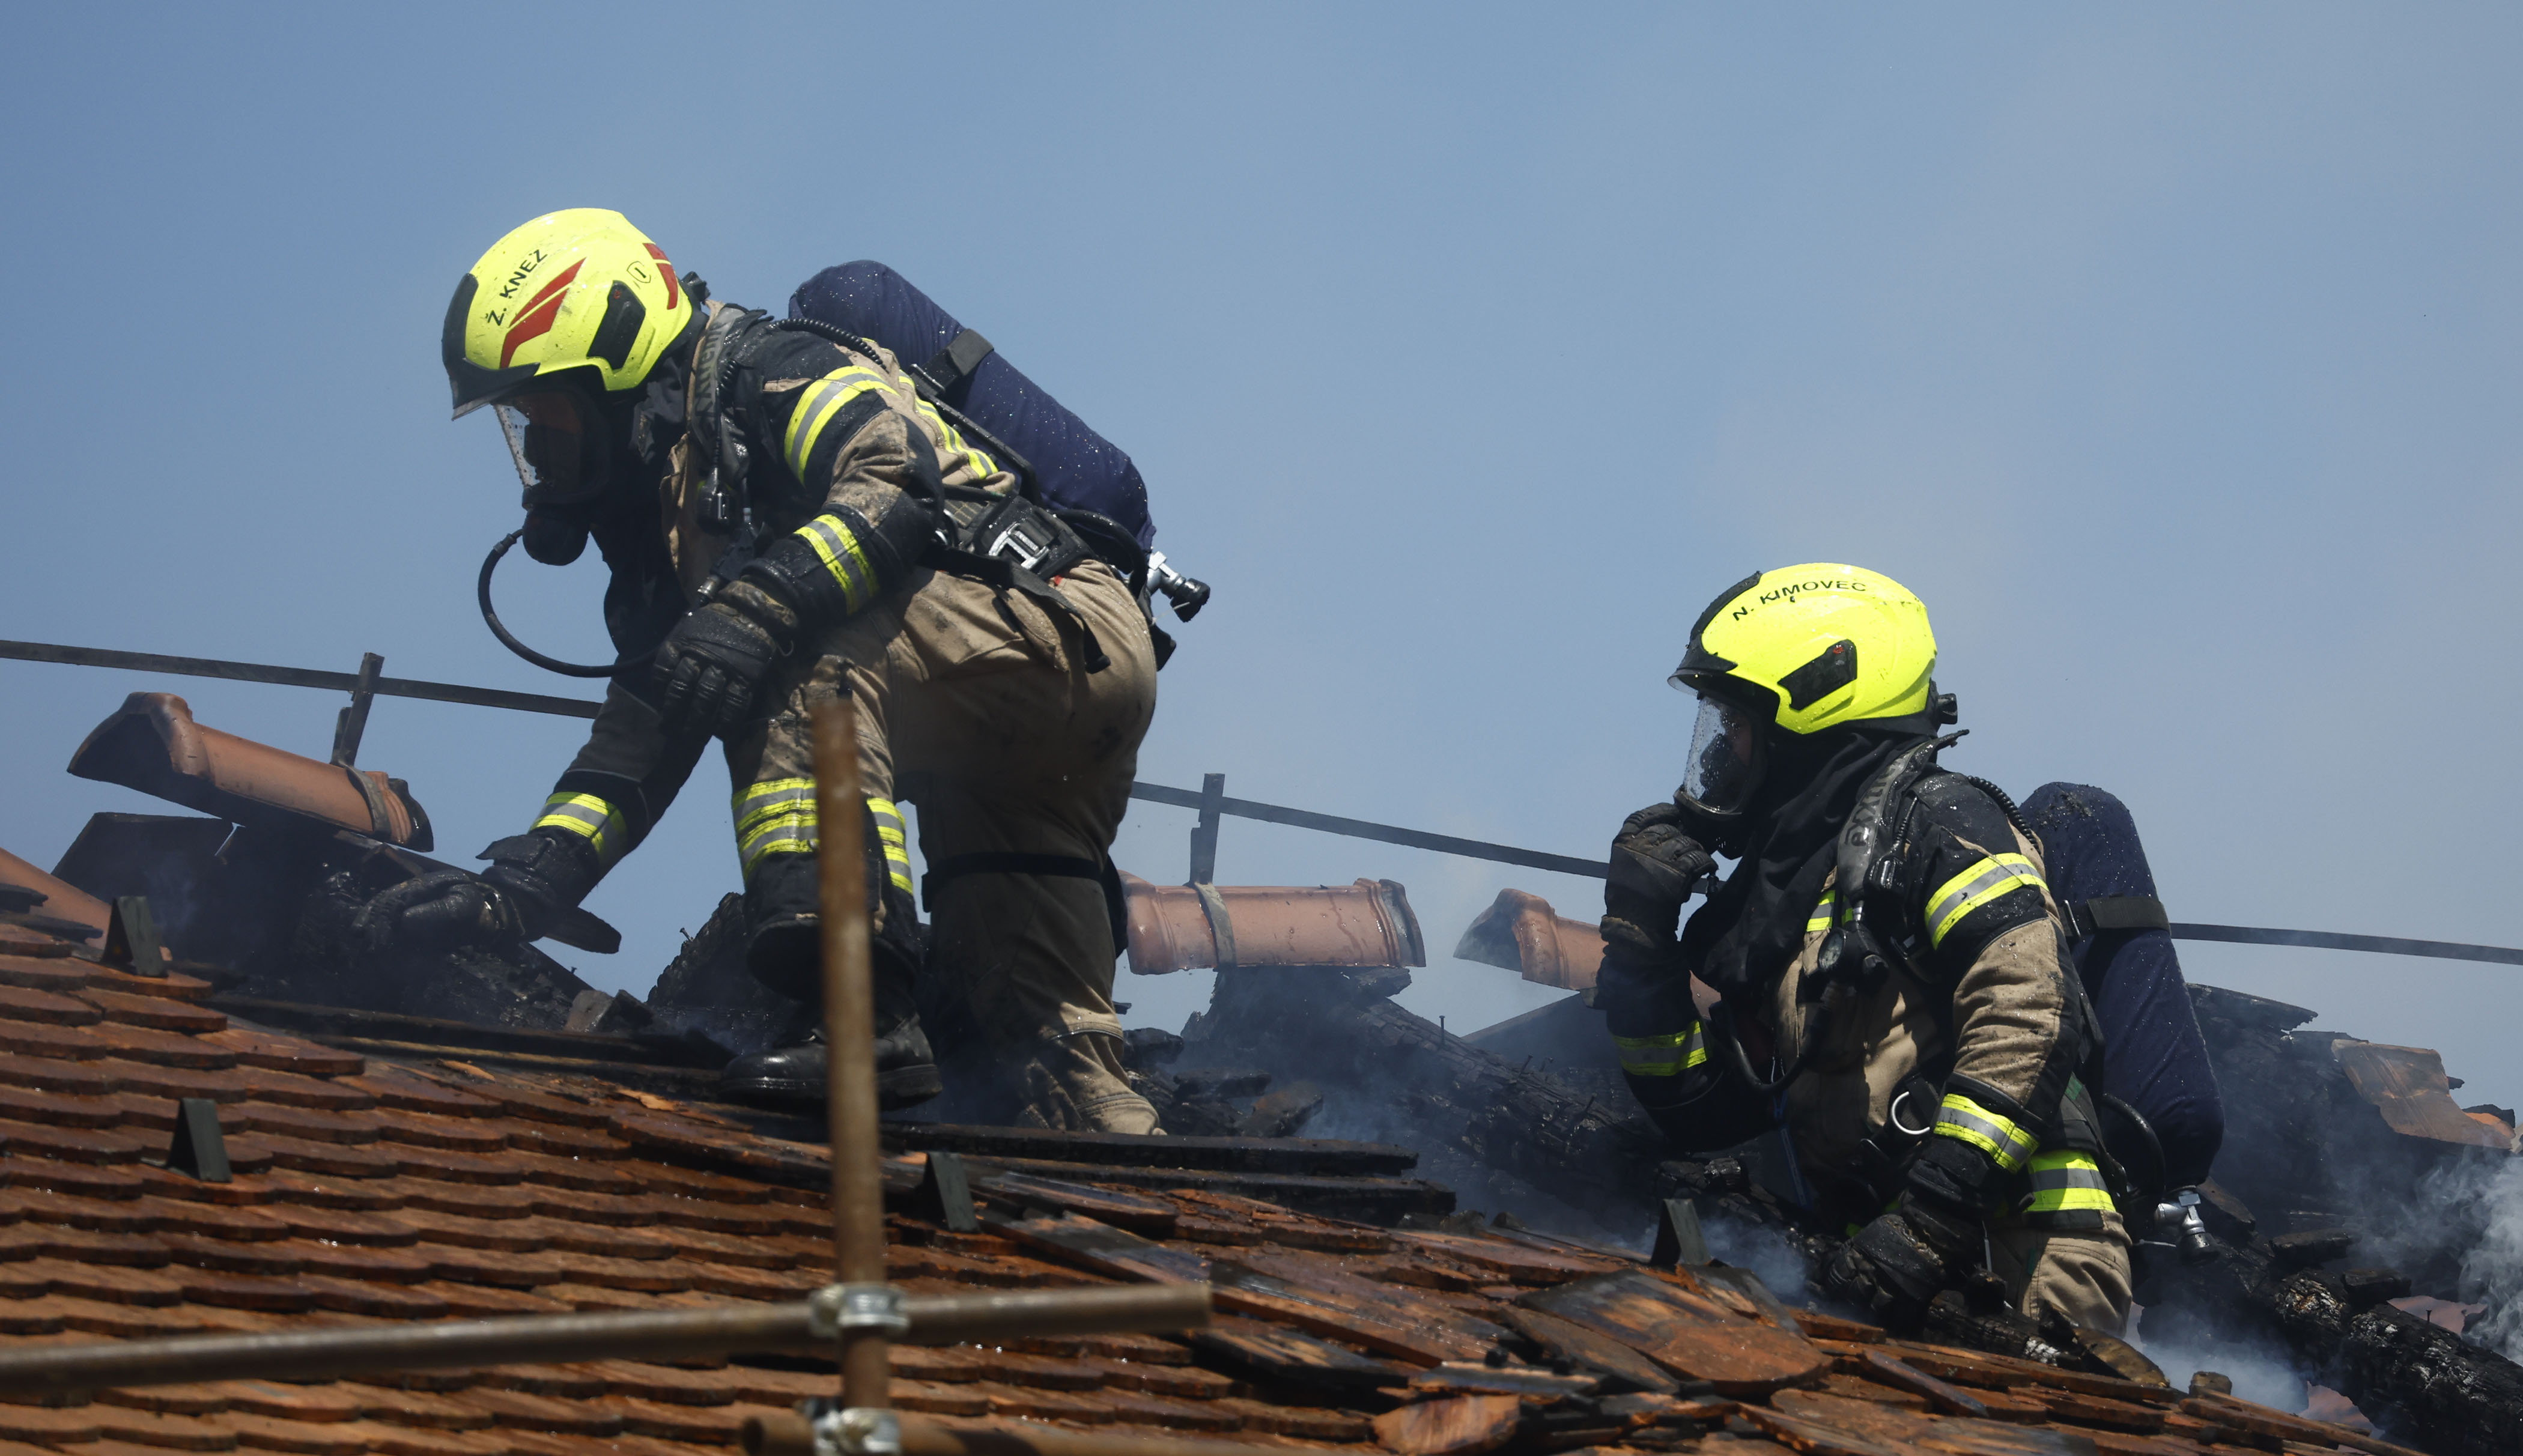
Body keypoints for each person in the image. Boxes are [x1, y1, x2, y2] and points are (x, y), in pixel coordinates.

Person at [359, 208, 1162, 1133]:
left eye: (548, 412)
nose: (539, 450)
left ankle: (855, 1010)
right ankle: (1160, 1200)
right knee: (1046, 1071)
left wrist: (759, 606)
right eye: (522, 421)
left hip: (1055, 622)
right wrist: (520, 889)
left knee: (782, 650)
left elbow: (895, 484)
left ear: (618, 364)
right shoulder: (663, 526)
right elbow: (644, 735)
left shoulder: (772, 372)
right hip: (1016, 736)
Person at [1595, 565, 2131, 1332]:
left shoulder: (1942, 824)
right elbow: (1700, 1114)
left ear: (1813, 715)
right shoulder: (1791, 905)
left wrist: (1929, 1222)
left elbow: (2029, 1013)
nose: (1721, 757)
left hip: (2026, 1255)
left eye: (1738, 726)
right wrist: (1639, 950)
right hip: (1883, 1270)